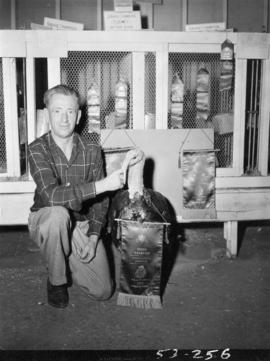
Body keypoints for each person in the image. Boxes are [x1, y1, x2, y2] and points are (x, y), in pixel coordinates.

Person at [28, 84, 126, 309]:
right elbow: (52, 196)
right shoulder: (37, 149)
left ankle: (61, 257)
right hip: (46, 220)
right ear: (47, 114)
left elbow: (100, 202)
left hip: (79, 224)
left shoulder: (91, 149)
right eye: (57, 111)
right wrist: (101, 185)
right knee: (58, 215)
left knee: (102, 290)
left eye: (70, 112)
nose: (64, 119)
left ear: (79, 115)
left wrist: (93, 237)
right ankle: (56, 280)